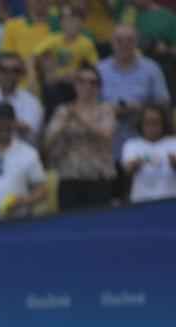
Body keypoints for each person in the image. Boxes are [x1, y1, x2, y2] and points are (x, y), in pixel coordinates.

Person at [43, 64, 116, 211]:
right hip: (69, 177)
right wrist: (62, 127)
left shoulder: (106, 109)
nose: (87, 86)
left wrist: (77, 118)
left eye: (93, 82)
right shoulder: (63, 111)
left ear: (99, 86)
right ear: (75, 85)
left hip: (98, 178)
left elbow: (106, 136)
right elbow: (48, 142)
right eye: (82, 81)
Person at [99, 25, 171, 162]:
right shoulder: (100, 70)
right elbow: (89, 105)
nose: (124, 44)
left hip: (144, 146)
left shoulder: (152, 69)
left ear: (136, 42)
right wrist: (110, 109)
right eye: (119, 40)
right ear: (112, 43)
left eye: (129, 40)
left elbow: (164, 104)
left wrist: (141, 108)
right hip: (107, 145)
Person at [33, 5, 99, 116]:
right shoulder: (53, 39)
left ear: (82, 23)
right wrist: (32, 76)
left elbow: (94, 67)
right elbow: (33, 56)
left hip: (75, 84)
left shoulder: (86, 44)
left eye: (74, 20)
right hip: (55, 83)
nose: (70, 24)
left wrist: (78, 75)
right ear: (61, 23)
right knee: (50, 88)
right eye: (66, 20)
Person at [122, 103, 176, 202]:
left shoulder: (173, 143)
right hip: (141, 201)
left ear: (163, 123)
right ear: (141, 124)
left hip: (170, 200)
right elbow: (127, 171)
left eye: (156, 122)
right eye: (147, 122)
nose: (152, 126)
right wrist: (134, 165)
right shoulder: (132, 144)